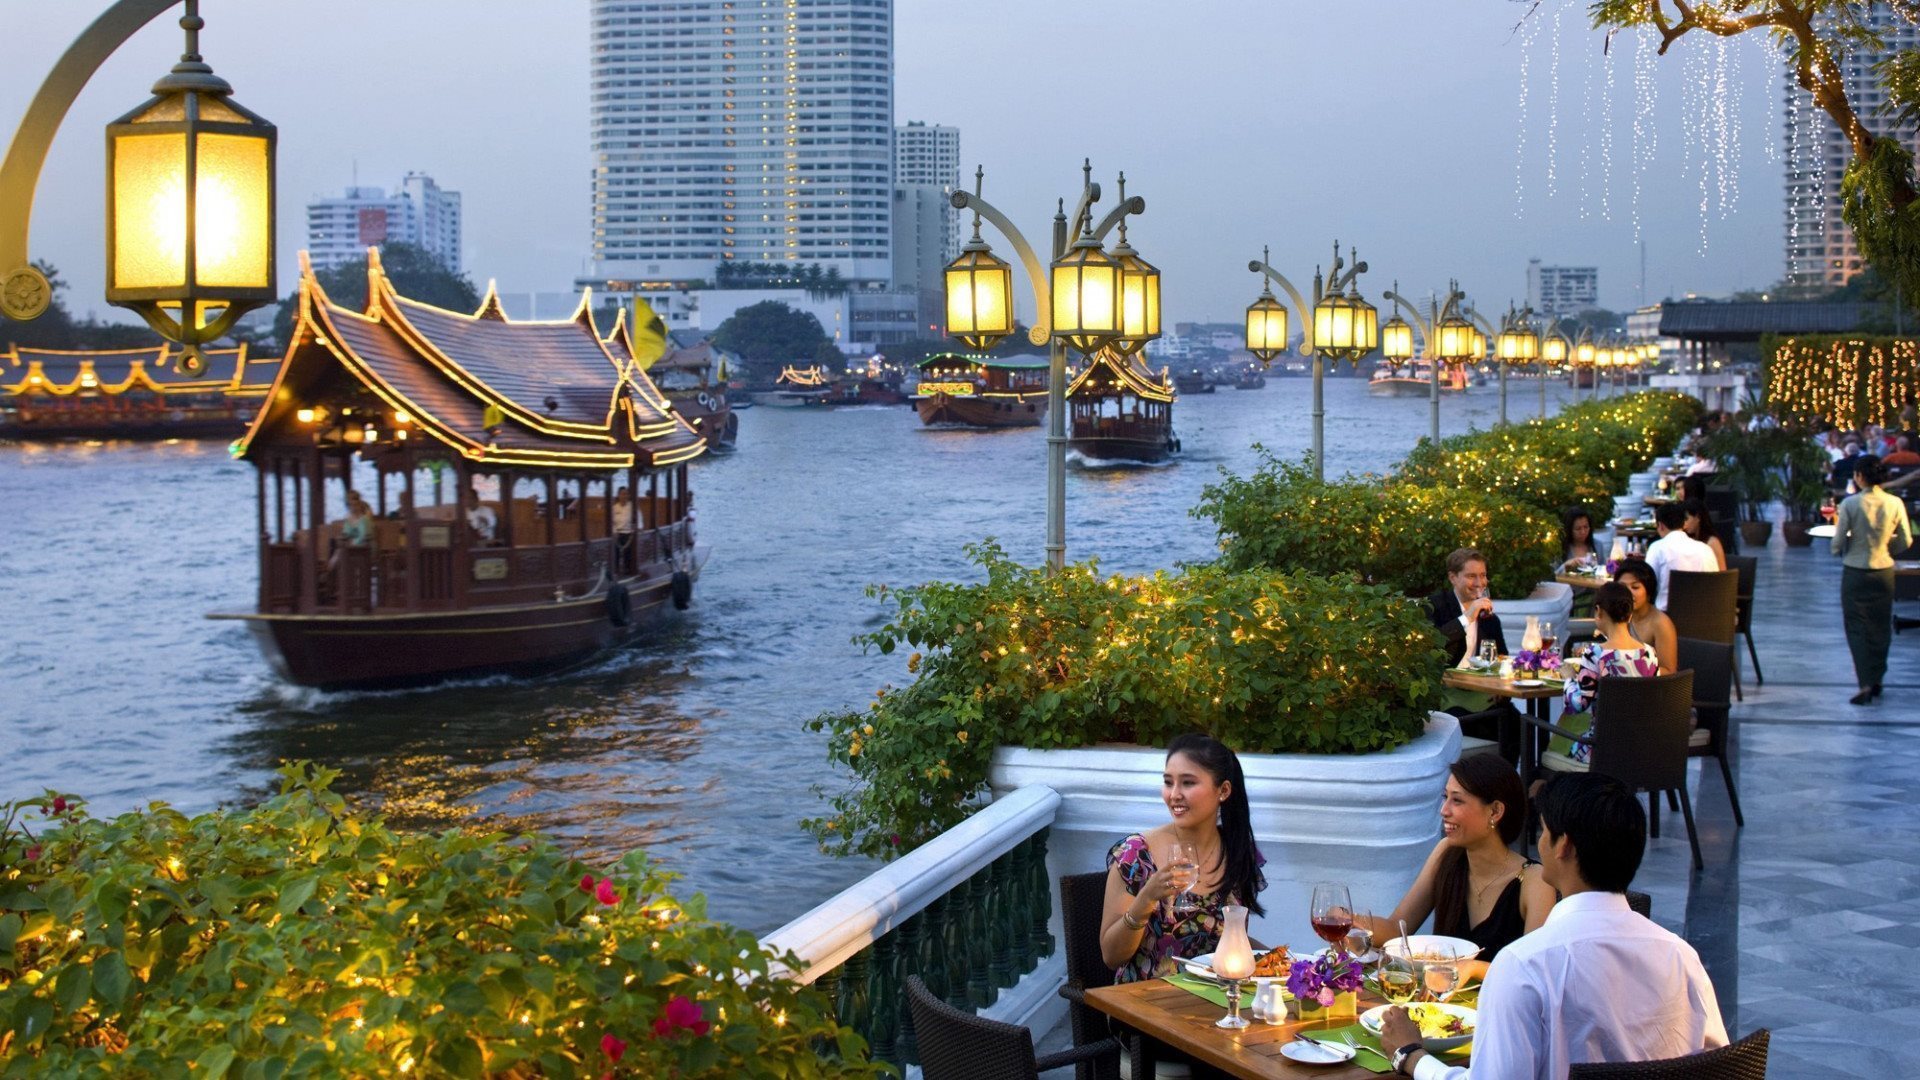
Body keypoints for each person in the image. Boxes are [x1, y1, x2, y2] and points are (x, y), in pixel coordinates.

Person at [1379, 773, 1728, 1079]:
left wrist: (1411, 1056)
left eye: (1544, 831)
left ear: (1564, 846)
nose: (1540, 842)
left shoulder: (1524, 965)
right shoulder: (1681, 956)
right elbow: (1720, 1065)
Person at [1357, 755, 1552, 970]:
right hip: (1437, 992)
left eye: (1457, 800)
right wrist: (1350, 922)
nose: (1444, 810)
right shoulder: (1447, 853)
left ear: (1495, 811)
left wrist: (1473, 970)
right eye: (1445, 797)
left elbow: (1533, 971)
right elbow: (1396, 930)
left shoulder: (1533, 880)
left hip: (1499, 993)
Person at [1101, 733, 1266, 982]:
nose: (1174, 794)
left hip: (1216, 997)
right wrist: (1146, 898)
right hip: (1144, 1000)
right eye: (1169, 783)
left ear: (1223, 790)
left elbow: (1231, 941)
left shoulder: (1235, 850)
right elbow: (1111, 956)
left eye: (1187, 783)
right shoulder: (1136, 854)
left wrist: (1285, 961)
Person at [1541, 583, 1662, 774]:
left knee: (1554, 737)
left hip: (1601, 749)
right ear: (1629, 614)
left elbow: (1577, 705)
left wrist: (1569, 678)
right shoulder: (1649, 653)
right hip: (1640, 748)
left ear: (1598, 611)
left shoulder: (1596, 653)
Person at [1832, 455, 1915, 705]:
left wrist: (1837, 549)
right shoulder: (1895, 502)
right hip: (1883, 571)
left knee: (1856, 626)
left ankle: (1865, 682)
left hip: (1855, 571)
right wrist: (1888, 549)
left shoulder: (1850, 503)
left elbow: (1838, 541)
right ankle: (1877, 677)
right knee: (1880, 627)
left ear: (1859, 476)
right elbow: (1906, 539)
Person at [1428, 549, 1518, 758]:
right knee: (1496, 726)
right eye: (1471, 576)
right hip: (1446, 699)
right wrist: (1467, 617)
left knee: (1519, 724)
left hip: (1481, 695)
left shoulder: (1490, 619)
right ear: (1453, 577)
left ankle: (1509, 778)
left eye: (1483, 575)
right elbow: (1432, 646)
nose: (1479, 583)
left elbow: (1502, 658)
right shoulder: (1435, 607)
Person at [1609, 559, 1677, 676]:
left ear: (1649, 592)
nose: (1628, 593)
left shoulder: (1661, 624)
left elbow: (1669, 671)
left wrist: (1633, 670)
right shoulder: (1618, 615)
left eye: (1635, 587)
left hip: (1649, 685)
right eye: (1622, 587)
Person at [1643, 503, 1716, 612]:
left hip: (1667, 617)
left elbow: (1648, 585)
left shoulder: (1657, 548)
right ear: (1683, 524)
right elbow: (1714, 585)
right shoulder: (1706, 549)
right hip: (1706, 615)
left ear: (1660, 525)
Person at [1680, 498, 1727, 571]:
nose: (1684, 524)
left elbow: (1722, 572)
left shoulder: (1712, 543)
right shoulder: (1688, 539)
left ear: (1698, 517)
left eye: (1686, 519)